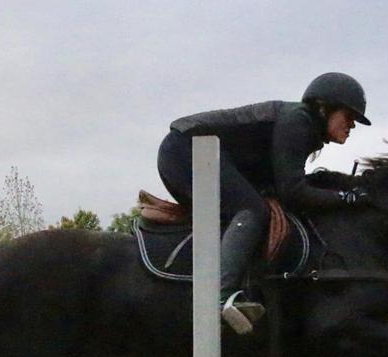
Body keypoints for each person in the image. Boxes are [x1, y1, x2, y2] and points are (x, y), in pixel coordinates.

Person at [156, 72, 371, 334]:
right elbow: (294, 192)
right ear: (324, 108)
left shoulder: (305, 128)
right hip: (185, 150)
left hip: (191, 152)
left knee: (256, 209)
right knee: (252, 210)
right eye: (349, 116)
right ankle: (218, 298)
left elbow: (286, 189)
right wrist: (346, 198)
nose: (352, 125)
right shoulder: (298, 121)